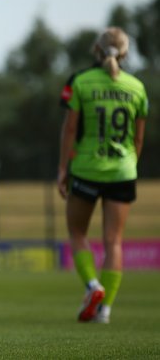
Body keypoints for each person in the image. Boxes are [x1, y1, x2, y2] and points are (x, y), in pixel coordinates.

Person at [57, 27, 148, 324]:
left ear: (96, 50)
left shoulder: (81, 81)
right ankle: (105, 310)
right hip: (123, 170)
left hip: (86, 168)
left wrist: (62, 168)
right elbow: (138, 138)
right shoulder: (137, 87)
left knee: (77, 233)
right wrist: (129, 165)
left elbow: (71, 129)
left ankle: (92, 285)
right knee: (114, 241)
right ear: (125, 53)